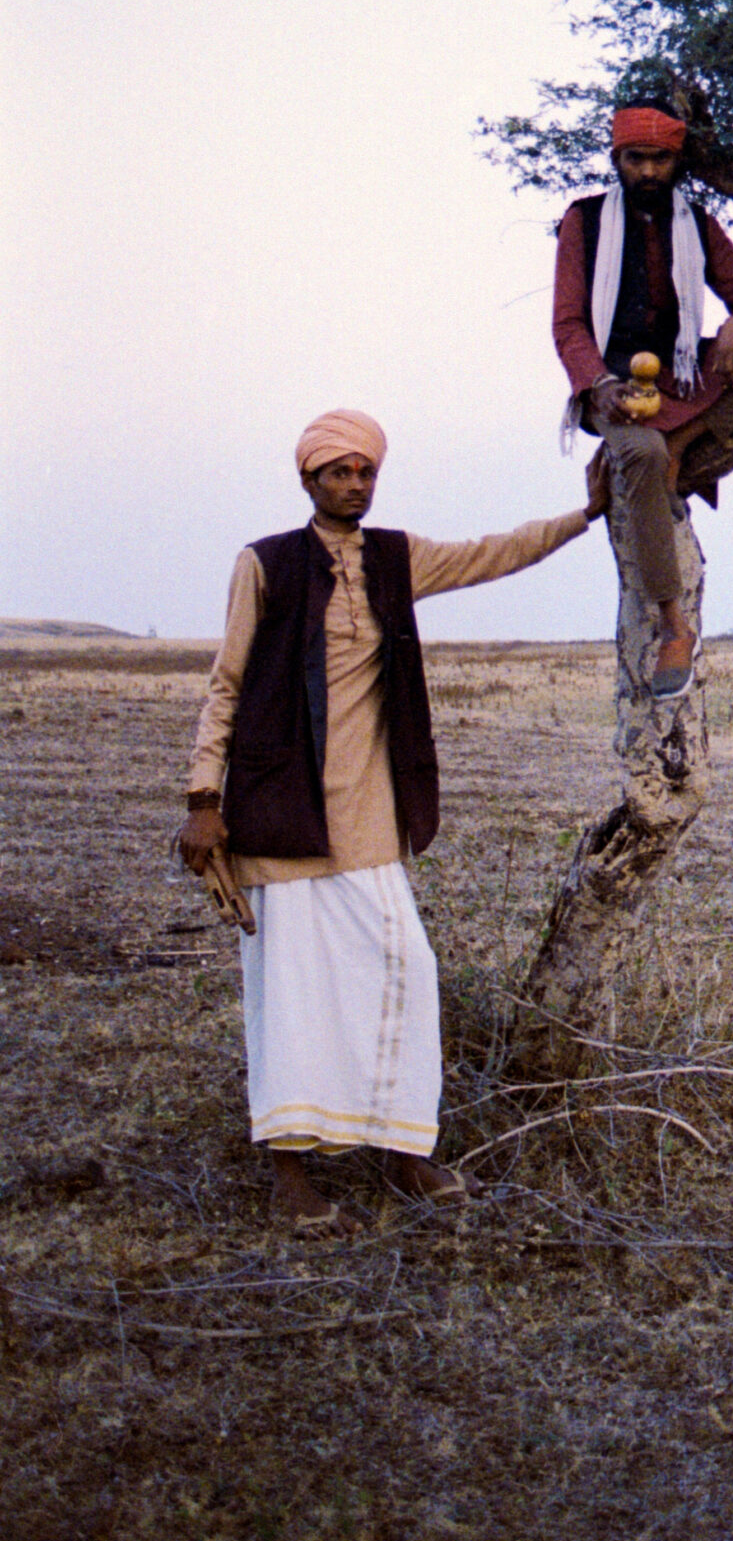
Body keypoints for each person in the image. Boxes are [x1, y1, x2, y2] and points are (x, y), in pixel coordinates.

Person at [177, 409, 606, 1235]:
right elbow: (225, 683)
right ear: (308, 480)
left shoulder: (395, 559)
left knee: (406, 969)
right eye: (337, 472)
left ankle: (403, 1150)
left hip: (370, 817)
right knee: (291, 995)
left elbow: (493, 553)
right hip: (280, 812)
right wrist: (203, 802)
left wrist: (584, 516)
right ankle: (290, 1177)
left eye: (364, 472)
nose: (353, 485)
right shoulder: (263, 564)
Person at [551, 100, 733, 695]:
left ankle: (685, 440)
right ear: (616, 160)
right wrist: (600, 385)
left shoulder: (695, 223)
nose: (648, 172)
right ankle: (675, 626)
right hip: (612, 384)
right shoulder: (584, 220)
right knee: (641, 456)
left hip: (682, 370)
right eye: (636, 158)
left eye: (660, 160)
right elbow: (568, 325)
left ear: (677, 163)